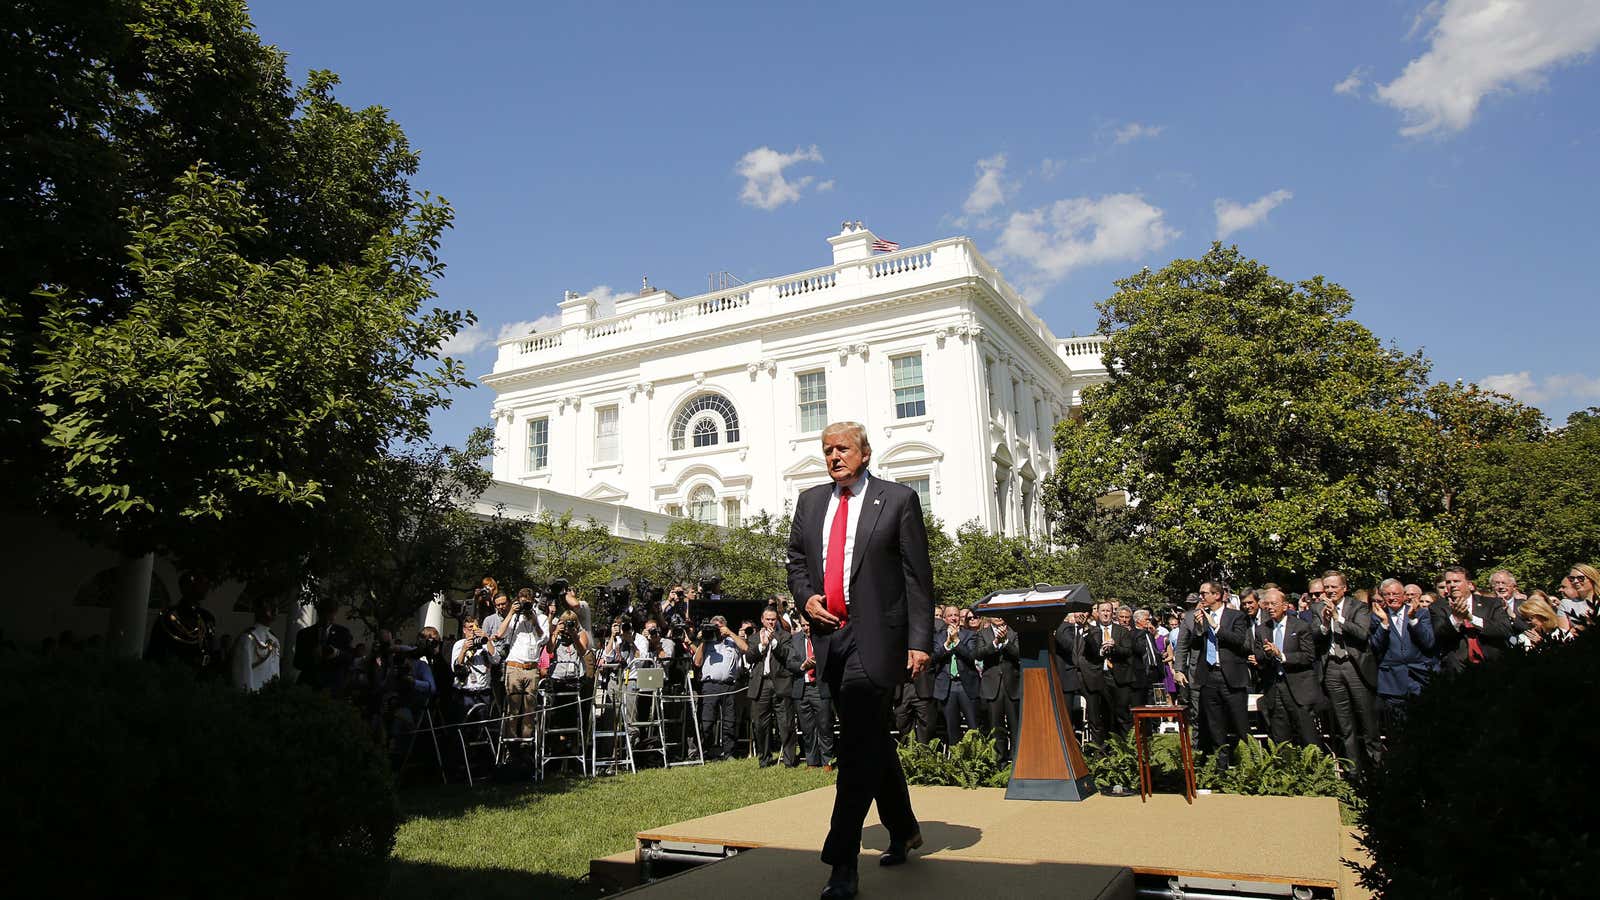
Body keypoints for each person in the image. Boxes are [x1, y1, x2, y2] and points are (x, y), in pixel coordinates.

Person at [786, 420, 933, 899]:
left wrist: (920, 640)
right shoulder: (810, 502)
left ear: (865, 454)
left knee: (853, 749)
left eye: (843, 448)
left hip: (878, 639)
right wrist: (805, 598)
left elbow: (917, 576)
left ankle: (842, 860)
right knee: (870, 740)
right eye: (827, 450)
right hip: (830, 637)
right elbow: (797, 562)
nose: (834, 457)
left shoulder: (897, 500)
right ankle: (905, 826)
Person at [1315, 569, 1381, 776]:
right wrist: (1325, 624)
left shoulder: (1359, 607)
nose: (1330, 591)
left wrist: (1338, 618)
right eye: (1327, 587)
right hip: (1332, 667)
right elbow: (1313, 637)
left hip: (1354, 666)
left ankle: (1376, 767)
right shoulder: (1318, 608)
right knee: (1345, 724)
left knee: (1367, 720)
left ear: (1344, 588)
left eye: (1334, 587)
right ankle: (1353, 771)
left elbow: (1362, 634)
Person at [1252, 589, 1320, 746]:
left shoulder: (1300, 626)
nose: (1270, 607)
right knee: (1280, 737)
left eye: (1274, 604)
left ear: (1285, 606)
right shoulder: (1262, 629)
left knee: (1307, 736)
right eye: (1266, 604)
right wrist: (1268, 654)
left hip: (1298, 688)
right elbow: (1259, 658)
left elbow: (1308, 656)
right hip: (1274, 688)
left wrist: (1282, 655)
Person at [1193, 581, 1251, 768]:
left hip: (1231, 677)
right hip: (1209, 676)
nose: (1201, 597)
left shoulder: (1236, 616)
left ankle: (1248, 765)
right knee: (1215, 726)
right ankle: (1221, 767)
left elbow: (1239, 640)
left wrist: (1215, 627)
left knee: (1240, 723)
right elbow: (1196, 645)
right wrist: (1199, 628)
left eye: (1204, 593)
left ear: (1217, 595)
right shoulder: (1200, 617)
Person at [1368, 578, 1435, 736]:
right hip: (1393, 680)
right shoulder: (1377, 616)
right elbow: (1375, 647)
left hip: (1419, 677)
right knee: (1399, 729)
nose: (1392, 598)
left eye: (1396, 594)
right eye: (1387, 594)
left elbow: (1429, 642)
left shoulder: (1421, 613)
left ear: (1404, 595)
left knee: (1425, 726)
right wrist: (1384, 624)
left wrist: (1412, 619)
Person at [1431, 566, 1515, 673]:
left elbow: (1505, 630)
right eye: (1448, 582)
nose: (1452, 585)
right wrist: (1456, 619)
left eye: (1457, 581)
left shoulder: (1491, 603)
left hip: (1492, 666)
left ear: (1469, 585)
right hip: (1457, 668)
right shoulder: (1438, 607)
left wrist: (1471, 618)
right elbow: (1438, 634)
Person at [745, 607, 798, 767]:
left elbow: (787, 654)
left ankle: (789, 760)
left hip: (781, 683)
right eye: (767, 619)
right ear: (762, 620)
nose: (770, 622)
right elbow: (749, 656)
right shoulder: (754, 638)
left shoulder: (785, 636)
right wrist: (762, 645)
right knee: (760, 724)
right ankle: (764, 759)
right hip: (761, 685)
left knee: (786, 723)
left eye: (773, 619)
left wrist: (774, 643)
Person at [691, 614, 747, 761]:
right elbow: (697, 663)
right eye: (714, 627)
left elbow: (746, 648)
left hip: (729, 685)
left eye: (719, 627)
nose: (716, 630)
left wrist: (730, 633)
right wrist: (704, 640)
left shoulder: (731, 641)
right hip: (710, 686)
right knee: (707, 720)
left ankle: (729, 752)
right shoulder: (707, 642)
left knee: (730, 720)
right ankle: (705, 751)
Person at [1078, 600, 1134, 745]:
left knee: (1121, 715)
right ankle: (1103, 750)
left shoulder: (1121, 630)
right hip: (1098, 677)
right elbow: (1088, 653)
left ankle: (1125, 749)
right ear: (1097, 612)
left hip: (1117, 677)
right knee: (1100, 716)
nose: (1105, 613)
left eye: (1108, 611)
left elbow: (1128, 652)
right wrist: (1100, 651)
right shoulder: (1091, 631)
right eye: (1102, 610)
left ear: (1112, 613)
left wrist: (1114, 647)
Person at [495, 589, 546, 745]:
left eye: (527, 601)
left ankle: (526, 744)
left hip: (531, 667)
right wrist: (511, 612)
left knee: (529, 710)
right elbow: (500, 634)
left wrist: (533, 620)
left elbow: (543, 638)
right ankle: (511, 745)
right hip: (514, 666)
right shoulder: (514, 617)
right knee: (513, 710)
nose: (525, 604)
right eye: (522, 601)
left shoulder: (541, 617)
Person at [146, 572, 219, 677]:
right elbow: (156, 651)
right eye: (200, 582)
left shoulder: (207, 618)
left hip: (201, 678)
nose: (206, 586)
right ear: (186, 587)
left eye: (206, 583)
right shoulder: (168, 617)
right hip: (174, 676)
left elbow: (210, 649)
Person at [787, 618, 834, 768]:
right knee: (807, 729)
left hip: (820, 688)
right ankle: (812, 761)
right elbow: (789, 662)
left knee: (825, 726)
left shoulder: (824, 637)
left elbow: (833, 658)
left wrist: (818, 662)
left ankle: (827, 761)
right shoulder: (794, 639)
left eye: (808, 625)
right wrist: (802, 666)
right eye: (803, 625)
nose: (806, 628)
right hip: (802, 688)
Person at [931, 606, 980, 746]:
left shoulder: (970, 635)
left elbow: (972, 657)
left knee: (973, 727)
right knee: (952, 728)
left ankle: (976, 759)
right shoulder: (938, 637)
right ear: (945, 619)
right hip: (947, 686)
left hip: (966, 686)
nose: (954, 618)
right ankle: (956, 761)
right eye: (950, 615)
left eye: (956, 615)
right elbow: (933, 659)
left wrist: (957, 641)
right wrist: (946, 645)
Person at [975, 616, 1021, 763]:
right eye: (995, 614)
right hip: (992, 686)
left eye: (1001, 614)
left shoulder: (1014, 633)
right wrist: (995, 643)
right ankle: (999, 761)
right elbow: (978, 654)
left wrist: (1006, 642)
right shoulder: (983, 633)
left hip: (1012, 686)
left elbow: (1020, 654)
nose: (999, 617)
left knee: (1015, 725)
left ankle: (1016, 761)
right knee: (996, 727)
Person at [451, 616, 499, 718]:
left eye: (476, 627)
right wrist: (464, 650)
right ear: (464, 630)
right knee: (465, 724)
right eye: (470, 628)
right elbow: (456, 668)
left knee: (483, 724)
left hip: (483, 692)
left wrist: (488, 639)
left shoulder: (486, 644)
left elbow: (496, 660)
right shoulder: (459, 644)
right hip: (466, 692)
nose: (473, 631)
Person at [230, 598, 280, 692]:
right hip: (254, 697)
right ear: (258, 610)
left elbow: (275, 671)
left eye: (276, 607)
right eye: (269, 606)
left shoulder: (274, 639)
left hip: (270, 697)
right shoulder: (248, 638)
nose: (274, 610)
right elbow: (243, 673)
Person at [1054, 611, 1087, 736]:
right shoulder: (1061, 627)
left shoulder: (1068, 627)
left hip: (1069, 678)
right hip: (1059, 678)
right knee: (1061, 718)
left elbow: (1070, 646)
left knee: (1067, 718)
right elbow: (1068, 646)